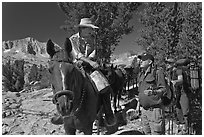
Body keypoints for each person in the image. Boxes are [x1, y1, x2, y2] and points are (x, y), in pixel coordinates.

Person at [51, 17, 116, 127]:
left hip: (90, 66)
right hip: (75, 66)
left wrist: (91, 61)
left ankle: (108, 113)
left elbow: (94, 52)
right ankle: (62, 114)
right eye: (90, 29)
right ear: (83, 29)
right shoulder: (73, 39)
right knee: (63, 84)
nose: (91, 31)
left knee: (104, 85)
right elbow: (76, 54)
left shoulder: (92, 38)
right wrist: (88, 61)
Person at [137, 53, 166, 135]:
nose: (141, 61)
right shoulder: (141, 74)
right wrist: (138, 106)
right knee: (146, 133)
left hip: (155, 111)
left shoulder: (157, 72)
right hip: (144, 111)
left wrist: (153, 92)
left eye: (143, 59)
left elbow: (163, 89)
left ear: (149, 62)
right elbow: (140, 92)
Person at [165, 58, 189, 134]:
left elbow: (180, 80)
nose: (167, 64)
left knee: (185, 112)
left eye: (169, 63)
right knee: (178, 110)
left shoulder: (178, 70)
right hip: (178, 93)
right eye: (167, 63)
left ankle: (187, 129)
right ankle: (182, 127)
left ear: (173, 64)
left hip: (183, 92)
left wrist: (174, 82)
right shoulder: (171, 72)